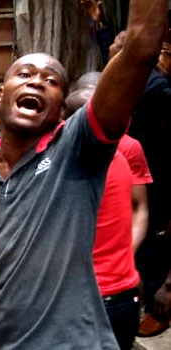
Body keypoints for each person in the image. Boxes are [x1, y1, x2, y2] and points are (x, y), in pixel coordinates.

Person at [0, 0, 168, 348]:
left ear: (60, 110)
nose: (36, 82)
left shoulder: (75, 149)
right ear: (0, 95)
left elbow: (141, 47)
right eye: (24, 74)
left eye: (51, 81)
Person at [65, 81, 153, 350]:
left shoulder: (124, 156)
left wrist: (125, 257)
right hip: (77, 293)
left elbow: (140, 208)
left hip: (109, 293)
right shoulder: (54, 162)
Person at [109, 26, 171, 336]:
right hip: (134, 165)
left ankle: (161, 305)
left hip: (155, 172)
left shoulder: (156, 87)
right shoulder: (133, 81)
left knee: (152, 241)